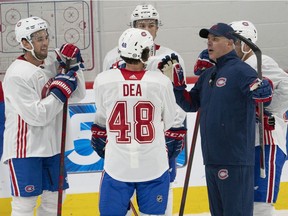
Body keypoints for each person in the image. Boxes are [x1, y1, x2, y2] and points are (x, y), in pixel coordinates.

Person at [160, 22, 273, 216]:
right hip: (212, 158)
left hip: (235, 159)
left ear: (230, 43)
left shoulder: (241, 70)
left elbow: (260, 92)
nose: (209, 44)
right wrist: (177, 87)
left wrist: (265, 90)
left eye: (215, 39)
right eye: (208, 40)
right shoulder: (208, 75)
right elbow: (191, 104)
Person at [91, 27, 186, 215]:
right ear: (146, 53)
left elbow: (103, 115)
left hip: (117, 165)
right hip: (153, 164)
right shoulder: (160, 82)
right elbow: (168, 120)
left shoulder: (103, 80)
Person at [1, 16, 86, 215]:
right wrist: (58, 93)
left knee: (55, 200)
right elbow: (37, 116)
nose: (45, 42)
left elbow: (79, 94)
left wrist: (74, 66)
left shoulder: (51, 62)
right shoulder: (16, 75)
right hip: (26, 148)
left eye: (45, 36)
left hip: (53, 146)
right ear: (24, 43)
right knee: (25, 204)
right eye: (38, 38)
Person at [229, 20, 288, 216]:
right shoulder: (233, 67)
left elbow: (287, 87)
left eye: (234, 42)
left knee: (261, 205)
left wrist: (267, 109)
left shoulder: (257, 61)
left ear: (246, 44)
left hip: (265, 143)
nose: (230, 46)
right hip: (244, 144)